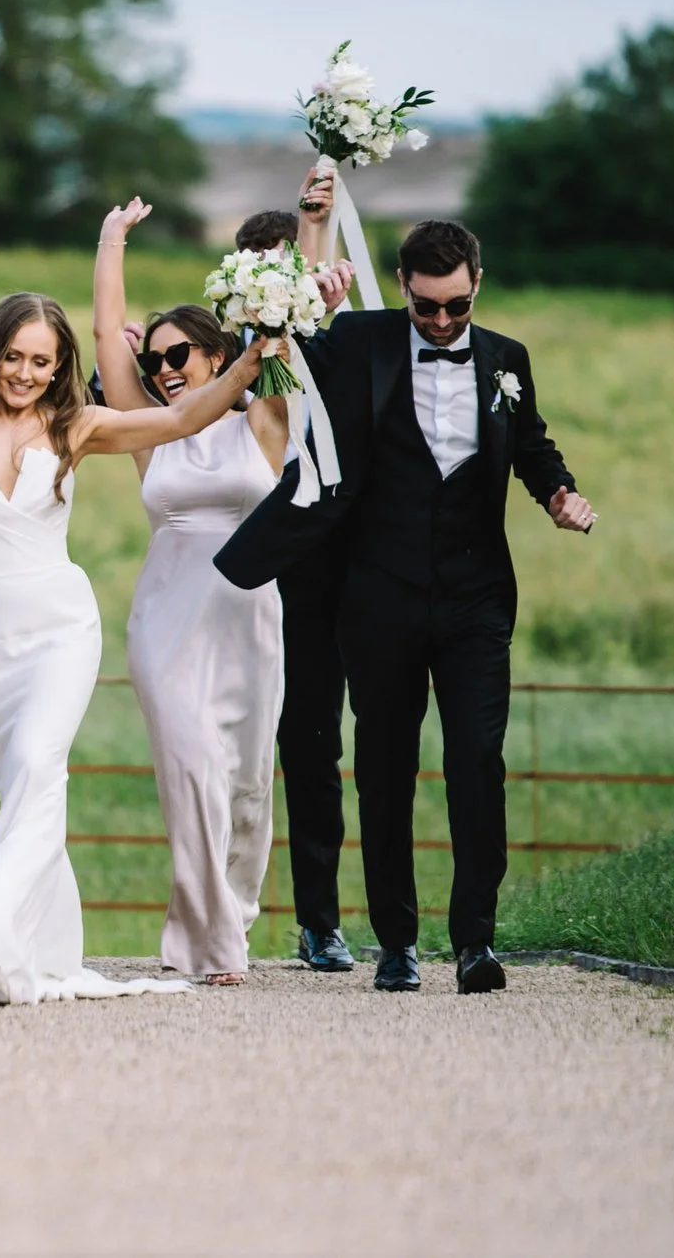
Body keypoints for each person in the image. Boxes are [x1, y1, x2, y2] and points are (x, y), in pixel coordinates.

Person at [0, 285, 273, 1005]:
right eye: (14, 357)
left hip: (61, 626)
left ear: (60, 366)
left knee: (38, 765)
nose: (25, 373)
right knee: (25, 789)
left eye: (41, 361)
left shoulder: (76, 424)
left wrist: (250, 361)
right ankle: (34, 951)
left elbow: (180, 417)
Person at [216, 219, 595, 995]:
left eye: (456, 305)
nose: (443, 321)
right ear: (401, 286)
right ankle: (396, 941)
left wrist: (559, 492)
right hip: (379, 596)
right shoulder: (360, 342)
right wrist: (305, 309)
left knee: (477, 762)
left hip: (476, 599)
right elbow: (281, 372)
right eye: (426, 307)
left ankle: (476, 940)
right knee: (384, 769)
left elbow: (529, 443)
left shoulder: (506, 359)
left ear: (477, 284)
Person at [93, 198, 301, 985]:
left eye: (178, 353)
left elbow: (288, 327)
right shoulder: (150, 430)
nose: (164, 369)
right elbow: (104, 335)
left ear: (219, 352)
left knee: (246, 784)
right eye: (153, 362)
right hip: (167, 622)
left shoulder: (263, 422)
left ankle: (225, 917)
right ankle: (212, 944)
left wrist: (308, 233)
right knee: (189, 774)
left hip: (249, 620)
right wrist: (112, 239)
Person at [264, 162, 362, 972]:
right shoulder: (219, 358)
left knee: (314, 746)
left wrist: (316, 220)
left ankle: (319, 920)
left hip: (321, 579)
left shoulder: (334, 352)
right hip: (240, 578)